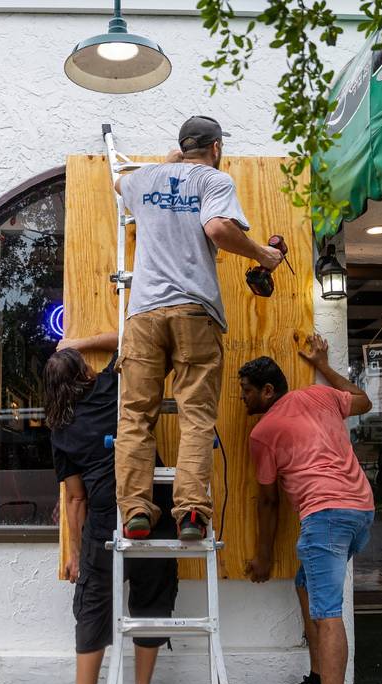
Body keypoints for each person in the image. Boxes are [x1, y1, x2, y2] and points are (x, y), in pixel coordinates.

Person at [113, 114, 284, 542]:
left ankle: (135, 510)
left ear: (180, 148)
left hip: (144, 314)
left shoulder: (144, 179)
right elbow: (218, 228)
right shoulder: (214, 181)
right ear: (217, 149)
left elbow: (120, 185)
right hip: (193, 312)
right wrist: (262, 255)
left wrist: (167, 163)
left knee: (135, 417)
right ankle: (190, 513)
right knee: (196, 417)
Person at [35, 332, 179, 684]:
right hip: (157, 510)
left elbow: (75, 497)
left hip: (107, 522)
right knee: (152, 600)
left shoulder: (60, 429)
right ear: (84, 369)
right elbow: (132, 336)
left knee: (94, 610)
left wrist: (76, 555)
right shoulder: (111, 386)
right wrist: (75, 341)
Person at [239, 335, 374, 684]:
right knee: (306, 583)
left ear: (267, 391)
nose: (241, 398)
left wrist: (262, 555)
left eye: (246, 390)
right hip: (361, 511)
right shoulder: (320, 395)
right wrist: (325, 365)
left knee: (328, 614)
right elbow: (363, 400)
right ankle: (316, 683)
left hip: (326, 517)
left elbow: (268, 500)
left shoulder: (264, 432)